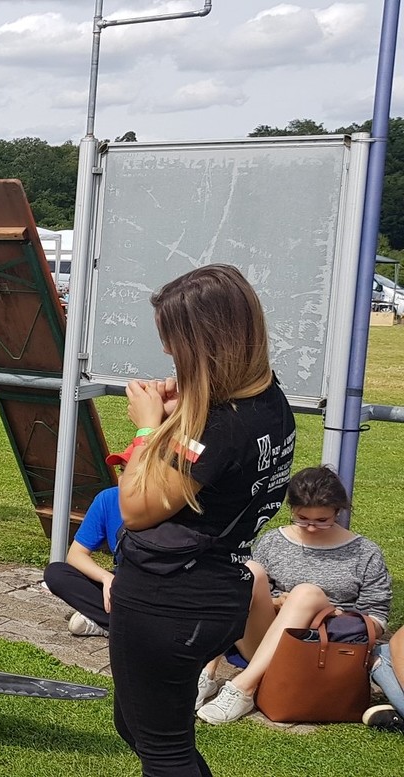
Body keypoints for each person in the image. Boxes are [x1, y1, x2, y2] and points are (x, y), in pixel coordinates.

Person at [107, 264, 295, 776]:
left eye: (174, 341)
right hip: (214, 592)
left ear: (204, 342)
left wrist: (148, 429)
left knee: (163, 751)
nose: (167, 351)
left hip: (171, 601)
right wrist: (177, 418)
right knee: (141, 728)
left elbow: (136, 509)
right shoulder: (268, 401)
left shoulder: (219, 427)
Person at [195, 466, 391, 724]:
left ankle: (243, 688)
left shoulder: (365, 552)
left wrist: (333, 614)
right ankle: (206, 672)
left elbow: (377, 619)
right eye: (302, 519)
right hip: (265, 641)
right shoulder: (274, 542)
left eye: (322, 520)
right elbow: (252, 596)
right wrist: (277, 602)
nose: (311, 527)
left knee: (306, 593)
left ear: (338, 511)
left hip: (323, 651)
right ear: (292, 510)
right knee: (249, 571)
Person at [43, 487, 125, 637]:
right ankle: (118, 623)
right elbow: (76, 554)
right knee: (56, 574)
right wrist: (106, 578)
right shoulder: (109, 498)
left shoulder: (165, 503)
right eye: (122, 472)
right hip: (121, 580)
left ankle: (109, 622)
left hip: (154, 585)